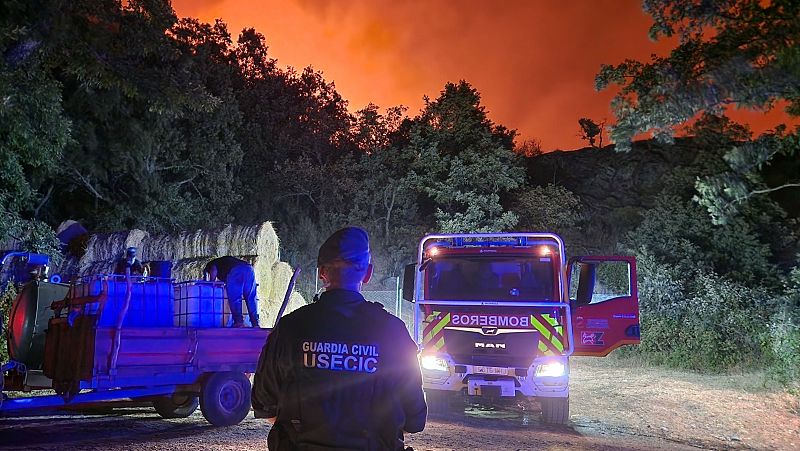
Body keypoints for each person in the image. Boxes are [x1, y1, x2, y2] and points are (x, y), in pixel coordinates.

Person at [252, 227, 427, 451]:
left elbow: (265, 404)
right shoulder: (393, 332)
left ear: (321, 273)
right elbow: (414, 419)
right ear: (368, 273)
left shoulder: (289, 328)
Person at [203, 256, 259, 328]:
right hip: (248, 269)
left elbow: (213, 272)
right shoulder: (225, 262)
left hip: (235, 271)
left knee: (235, 298)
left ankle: (238, 322)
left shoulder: (213, 264)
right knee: (251, 297)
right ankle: (255, 323)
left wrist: (211, 283)